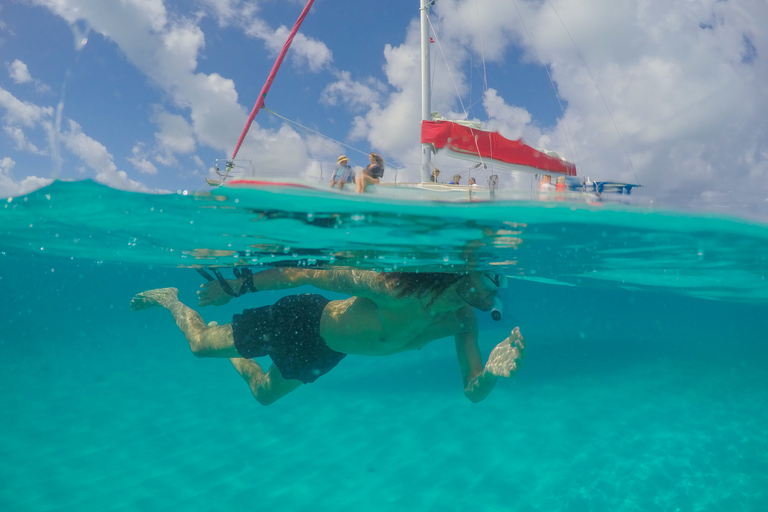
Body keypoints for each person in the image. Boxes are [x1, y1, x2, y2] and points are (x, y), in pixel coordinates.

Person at [130, 268, 524, 406]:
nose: (493, 288)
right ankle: (172, 301)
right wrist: (234, 287)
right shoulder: (393, 289)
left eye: (498, 280)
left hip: (329, 351)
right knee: (200, 347)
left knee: (263, 393)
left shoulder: (461, 323)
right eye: (489, 276)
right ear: (461, 272)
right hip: (299, 320)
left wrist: (488, 376)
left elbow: (471, 389)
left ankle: (230, 345)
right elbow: (305, 273)